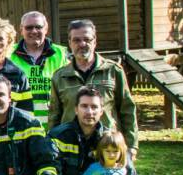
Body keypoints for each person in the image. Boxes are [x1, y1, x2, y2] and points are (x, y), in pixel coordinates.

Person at [49, 20, 139, 155]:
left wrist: (132, 146)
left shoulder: (113, 71)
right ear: (70, 43)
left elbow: (127, 109)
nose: (82, 44)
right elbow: (54, 114)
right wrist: (50, 144)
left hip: (107, 145)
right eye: (76, 40)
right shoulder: (60, 76)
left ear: (95, 41)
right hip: (70, 147)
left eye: (87, 39)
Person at [9, 11, 69, 124]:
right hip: (20, 127)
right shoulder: (8, 54)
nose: (34, 31)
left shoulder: (62, 54)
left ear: (46, 29)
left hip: (55, 127)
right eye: (29, 28)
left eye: (38, 27)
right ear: (21, 30)